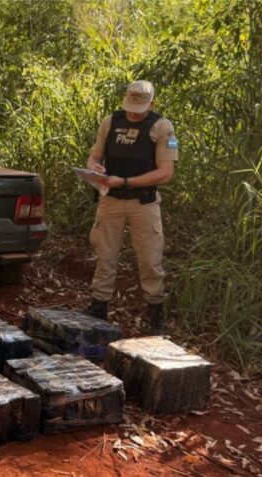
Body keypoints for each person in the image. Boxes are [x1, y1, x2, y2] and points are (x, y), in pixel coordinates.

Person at [84, 80, 178, 334]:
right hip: (111, 199)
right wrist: (94, 168)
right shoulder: (110, 122)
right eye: (130, 107)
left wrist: (126, 181)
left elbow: (165, 173)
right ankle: (99, 304)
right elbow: (94, 156)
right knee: (105, 255)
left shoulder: (161, 127)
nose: (134, 114)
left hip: (143, 202)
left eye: (140, 109)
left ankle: (155, 310)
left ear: (152, 104)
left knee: (150, 258)